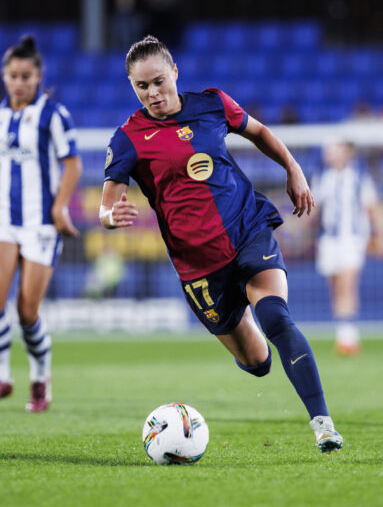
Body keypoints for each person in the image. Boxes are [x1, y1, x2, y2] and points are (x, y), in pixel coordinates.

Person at [99, 36, 342, 453]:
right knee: (258, 363)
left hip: (247, 229)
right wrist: (110, 217)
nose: (153, 93)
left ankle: (323, 425)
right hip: (198, 266)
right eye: (142, 87)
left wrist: (293, 168)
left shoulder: (212, 104)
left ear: (174, 72)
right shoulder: (129, 138)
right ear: (132, 86)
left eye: (159, 81)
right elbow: (106, 205)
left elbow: (259, 131)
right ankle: (249, 341)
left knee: (277, 320)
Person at [0, 35, 82, 413]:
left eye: (26, 76)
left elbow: (72, 164)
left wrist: (61, 207)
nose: (19, 82)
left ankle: (40, 377)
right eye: (13, 76)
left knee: (27, 312)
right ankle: (0, 377)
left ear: (38, 76)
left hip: (40, 225)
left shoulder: (53, 115)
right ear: (4, 77)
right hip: (3, 219)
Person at [311, 140, 383, 356]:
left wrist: (382, 235)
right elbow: (315, 208)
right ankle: (344, 332)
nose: (330, 155)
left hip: (352, 239)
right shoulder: (322, 178)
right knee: (335, 286)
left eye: (334, 150)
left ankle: (348, 337)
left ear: (347, 154)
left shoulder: (360, 179)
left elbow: (373, 208)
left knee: (347, 284)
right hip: (328, 239)